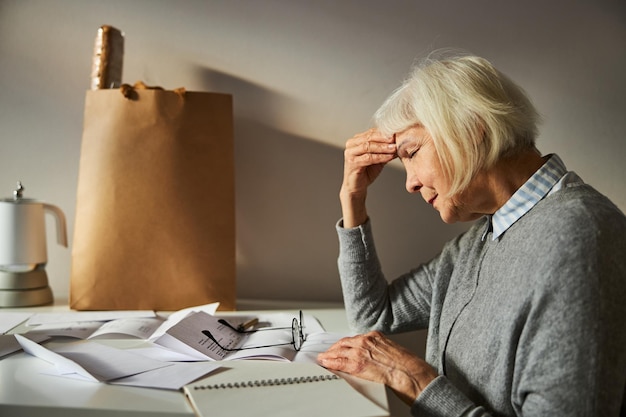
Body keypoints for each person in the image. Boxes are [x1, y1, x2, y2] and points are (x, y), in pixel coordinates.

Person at [316, 52, 626, 416]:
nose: (410, 183)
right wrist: (352, 200)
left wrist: (415, 381)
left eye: (412, 152)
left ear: (471, 126)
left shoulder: (581, 239)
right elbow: (374, 316)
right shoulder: (485, 234)